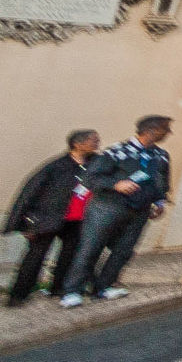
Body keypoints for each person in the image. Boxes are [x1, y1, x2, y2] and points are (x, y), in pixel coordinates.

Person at [60, 115, 172, 307]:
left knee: (123, 250)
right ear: (150, 131)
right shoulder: (116, 152)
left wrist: (160, 201)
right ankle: (72, 290)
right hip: (107, 208)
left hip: (139, 210)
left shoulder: (160, 155)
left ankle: (104, 286)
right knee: (90, 248)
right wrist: (116, 184)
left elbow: (161, 181)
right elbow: (90, 179)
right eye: (165, 129)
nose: (168, 133)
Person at [6, 130, 98, 306]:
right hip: (48, 219)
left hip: (76, 220)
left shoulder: (94, 165)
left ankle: (58, 288)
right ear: (77, 144)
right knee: (35, 257)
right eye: (92, 140)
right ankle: (18, 295)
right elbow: (29, 192)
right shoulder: (56, 167)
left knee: (69, 256)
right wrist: (25, 223)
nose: (96, 143)